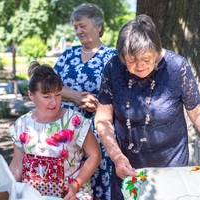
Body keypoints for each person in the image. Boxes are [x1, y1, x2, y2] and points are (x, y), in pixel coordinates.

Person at [94, 14, 200, 199]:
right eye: (130, 60)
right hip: (126, 167)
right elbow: (103, 120)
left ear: (157, 49)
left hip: (171, 166)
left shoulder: (177, 67)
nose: (139, 66)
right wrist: (117, 157)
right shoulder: (113, 68)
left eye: (146, 59)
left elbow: (199, 113)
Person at [9, 61, 101, 200]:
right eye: (46, 97)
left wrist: (75, 185)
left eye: (57, 94)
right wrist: (7, 191)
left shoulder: (75, 120)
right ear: (31, 95)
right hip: (34, 196)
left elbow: (95, 155)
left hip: (71, 194)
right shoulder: (22, 124)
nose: (54, 102)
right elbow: (16, 166)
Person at [53, 3, 117, 200]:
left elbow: (123, 97)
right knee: (65, 187)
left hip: (98, 133)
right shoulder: (68, 56)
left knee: (98, 189)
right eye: (75, 27)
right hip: (66, 135)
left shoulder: (113, 57)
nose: (78, 31)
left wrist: (100, 107)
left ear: (98, 26)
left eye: (82, 25)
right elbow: (50, 87)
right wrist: (74, 95)